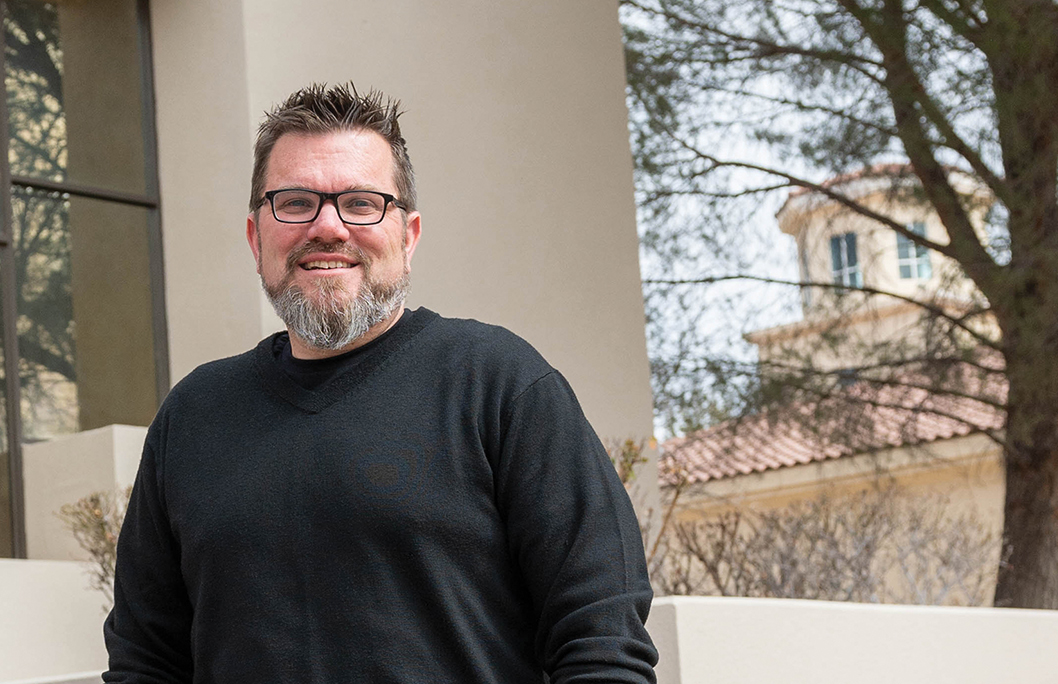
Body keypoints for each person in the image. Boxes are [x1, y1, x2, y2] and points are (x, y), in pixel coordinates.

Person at [102, 84, 657, 682]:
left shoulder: (500, 386)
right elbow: (145, 662)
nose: (329, 228)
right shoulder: (193, 416)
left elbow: (601, 640)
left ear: (409, 235)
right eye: (294, 202)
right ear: (255, 236)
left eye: (362, 203)